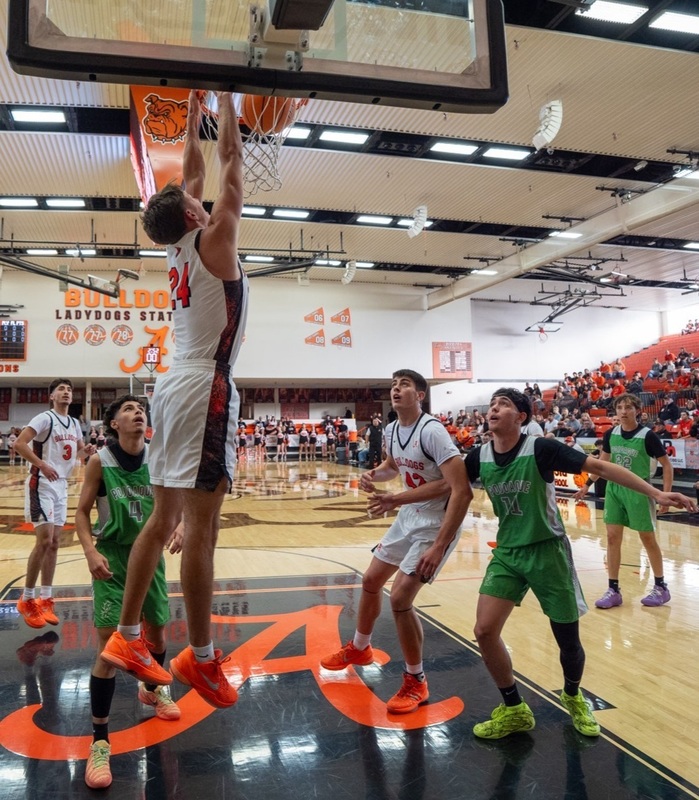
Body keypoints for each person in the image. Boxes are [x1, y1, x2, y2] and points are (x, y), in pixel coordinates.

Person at [101, 90, 248, 708]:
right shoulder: (213, 240)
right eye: (196, 199)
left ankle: (129, 637)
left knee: (165, 520)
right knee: (202, 531)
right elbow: (231, 167)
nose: (200, 195)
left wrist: (193, 115)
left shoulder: (176, 249)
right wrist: (230, 106)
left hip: (172, 381)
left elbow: (191, 171)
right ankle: (203, 657)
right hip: (206, 384)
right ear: (193, 214)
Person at [460, 388, 693, 739]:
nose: (494, 409)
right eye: (492, 404)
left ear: (521, 417)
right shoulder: (478, 456)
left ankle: (573, 695)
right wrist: (399, 497)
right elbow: (448, 487)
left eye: (504, 404)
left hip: (548, 551)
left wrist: (657, 493)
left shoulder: (541, 448)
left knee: (567, 641)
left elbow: (599, 466)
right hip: (508, 553)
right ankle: (514, 709)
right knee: (484, 630)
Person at [320, 369, 472, 714]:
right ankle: (360, 647)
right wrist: (374, 474)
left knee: (401, 597)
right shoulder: (391, 429)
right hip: (410, 516)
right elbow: (393, 465)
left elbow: (454, 486)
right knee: (371, 580)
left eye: (404, 385)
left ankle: (416, 681)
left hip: (437, 524)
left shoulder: (432, 431)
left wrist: (395, 500)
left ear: (420, 394)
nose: (396, 389)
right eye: (393, 385)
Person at [75, 395, 183, 789]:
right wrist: (89, 550)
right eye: (128, 409)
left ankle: (153, 690)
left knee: (156, 632)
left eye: (141, 408)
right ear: (113, 424)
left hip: (150, 557)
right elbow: (82, 512)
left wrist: (181, 525)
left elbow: (178, 502)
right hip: (113, 559)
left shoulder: (159, 457)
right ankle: (99, 742)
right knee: (111, 648)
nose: (138, 412)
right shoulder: (99, 461)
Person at [575, 393, 678, 608]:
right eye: (619, 407)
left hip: (639, 490)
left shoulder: (648, 436)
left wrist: (665, 497)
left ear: (638, 411)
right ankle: (613, 589)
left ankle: (661, 586)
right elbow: (602, 464)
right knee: (612, 538)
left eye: (628, 407)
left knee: (647, 539)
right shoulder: (611, 433)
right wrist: (587, 485)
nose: (623, 411)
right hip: (614, 490)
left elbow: (667, 466)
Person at [15, 379, 94, 629]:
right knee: (45, 540)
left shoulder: (74, 423)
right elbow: (19, 444)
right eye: (61, 389)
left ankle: (46, 598)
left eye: (69, 390)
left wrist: (87, 451)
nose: (66, 392)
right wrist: (42, 464)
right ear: (52, 396)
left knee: (56, 543)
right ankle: (27, 598)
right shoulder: (44, 418)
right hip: (41, 483)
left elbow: (78, 456)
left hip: (61, 485)